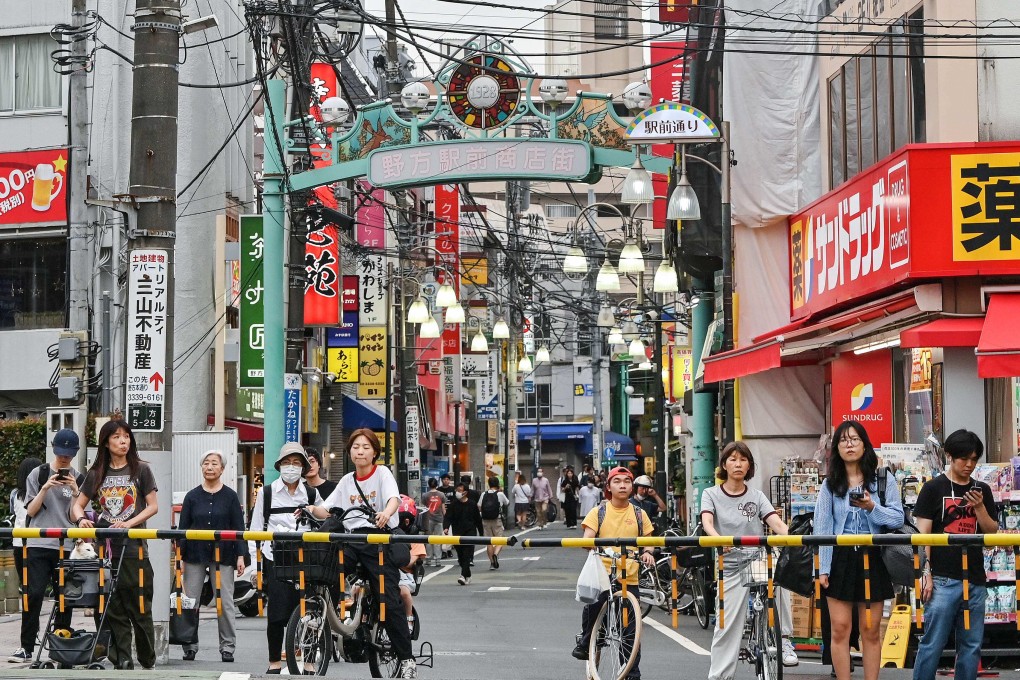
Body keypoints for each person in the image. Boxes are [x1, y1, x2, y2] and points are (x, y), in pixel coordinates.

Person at [306, 429, 417, 679]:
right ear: (350, 452)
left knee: (389, 602)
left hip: (378, 541)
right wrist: (310, 508)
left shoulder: (383, 473)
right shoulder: (346, 481)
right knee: (325, 571)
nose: (360, 451)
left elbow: (393, 499)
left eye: (366, 447)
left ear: (375, 451)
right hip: (352, 540)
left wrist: (387, 514)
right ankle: (321, 615)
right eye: (356, 446)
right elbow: (328, 509)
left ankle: (407, 659)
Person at [814, 421, 904, 680]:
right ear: (836, 448)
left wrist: (871, 507)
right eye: (843, 440)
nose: (849, 445)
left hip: (873, 556)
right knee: (840, 629)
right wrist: (822, 569)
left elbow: (898, 519)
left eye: (854, 439)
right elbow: (822, 528)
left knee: (870, 629)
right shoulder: (830, 484)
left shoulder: (883, 479)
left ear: (865, 444)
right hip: (840, 557)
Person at [702, 441, 799, 680]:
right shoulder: (710, 494)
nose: (737, 464)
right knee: (726, 625)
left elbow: (775, 522)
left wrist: (794, 538)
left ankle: (784, 640)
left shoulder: (757, 496)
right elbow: (707, 524)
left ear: (749, 466)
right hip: (730, 565)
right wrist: (718, 539)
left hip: (756, 559)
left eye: (743, 459)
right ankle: (720, 676)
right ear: (724, 464)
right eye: (732, 459)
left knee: (780, 578)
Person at [72, 420, 159, 671]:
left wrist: (129, 523)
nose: (123, 441)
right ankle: (122, 659)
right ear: (106, 442)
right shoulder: (96, 472)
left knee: (140, 607)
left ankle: (147, 658)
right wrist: (81, 519)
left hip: (134, 549)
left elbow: (153, 506)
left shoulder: (141, 469)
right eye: (117, 437)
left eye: (127, 437)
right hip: (106, 550)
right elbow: (78, 505)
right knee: (112, 607)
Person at [912, 429, 998, 680]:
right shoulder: (933, 488)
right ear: (950, 456)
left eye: (974, 459)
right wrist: (925, 573)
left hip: (974, 579)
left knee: (971, 646)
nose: (969, 464)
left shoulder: (982, 489)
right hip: (941, 579)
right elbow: (922, 535)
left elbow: (991, 535)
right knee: (932, 644)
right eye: (964, 459)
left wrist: (980, 507)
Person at [245, 441, 322, 674]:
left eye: (296, 463)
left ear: (303, 467)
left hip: (305, 557)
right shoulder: (267, 493)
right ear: (279, 466)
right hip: (274, 557)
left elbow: (323, 521)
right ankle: (274, 663)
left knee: (310, 613)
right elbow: (254, 530)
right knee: (277, 614)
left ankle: (308, 663)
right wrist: (252, 566)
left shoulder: (311, 493)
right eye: (287, 463)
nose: (291, 467)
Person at [571, 466, 654, 679]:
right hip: (603, 573)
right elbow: (587, 539)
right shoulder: (599, 512)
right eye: (617, 481)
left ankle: (632, 673)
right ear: (608, 486)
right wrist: (595, 547)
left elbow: (649, 541)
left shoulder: (639, 513)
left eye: (627, 481)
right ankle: (586, 639)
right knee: (594, 605)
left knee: (631, 631)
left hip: (630, 577)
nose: (623, 485)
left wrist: (648, 553)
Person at [13, 433, 83, 665]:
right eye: (61, 454)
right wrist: (44, 488)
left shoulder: (79, 478)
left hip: (66, 545)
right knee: (33, 594)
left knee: (65, 597)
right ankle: (26, 646)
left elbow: (76, 516)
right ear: (53, 450)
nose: (64, 459)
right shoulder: (38, 473)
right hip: (38, 543)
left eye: (69, 455)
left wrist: (75, 491)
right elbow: (30, 511)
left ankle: (61, 644)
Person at [177, 450, 246, 662]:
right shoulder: (192, 496)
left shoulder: (231, 496)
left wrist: (241, 556)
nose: (209, 467)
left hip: (224, 553)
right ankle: (189, 644)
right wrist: (180, 557)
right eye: (206, 463)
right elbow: (182, 529)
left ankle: (227, 647)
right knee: (191, 600)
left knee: (224, 601)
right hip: (194, 554)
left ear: (222, 469)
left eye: (214, 463)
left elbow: (239, 528)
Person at [7, 456, 40, 663]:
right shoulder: (36, 493)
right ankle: (34, 631)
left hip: (19, 545)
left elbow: (14, 514)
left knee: (27, 588)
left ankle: (31, 632)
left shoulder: (15, 494)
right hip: (36, 544)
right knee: (34, 589)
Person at [396, 496, 426, 636]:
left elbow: (408, 562)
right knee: (357, 588)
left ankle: (409, 619)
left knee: (403, 592)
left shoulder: (415, 540)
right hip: (388, 571)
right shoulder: (389, 536)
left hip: (405, 576)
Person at [444, 482, 482, 585]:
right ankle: (468, 575)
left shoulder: (472, 504)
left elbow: (478, 519)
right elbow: (448, 517)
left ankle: (462, 576)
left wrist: (482, 534)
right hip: (457, 532)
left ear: (465, 492)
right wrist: (446, 527)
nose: (457, 493)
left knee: (466, 554)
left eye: (459, 491)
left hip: (470, 532)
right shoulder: (453, 504)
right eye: (456, 491)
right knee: (460, 556)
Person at [478, 477, 509, 569]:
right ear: (497, 484)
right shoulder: (500, 494)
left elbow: (479, 506)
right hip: (497, 519)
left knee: (489, 542)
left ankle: (492, 563)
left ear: (489, 484)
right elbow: (507, 503)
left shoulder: (484, 494)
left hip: (485, 520)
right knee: (501, 539)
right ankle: (495, 554)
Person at [421, 478, 446, 567]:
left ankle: (428, 559)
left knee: (428, 539)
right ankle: (437, 560)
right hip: (439, 519)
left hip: (428, 519)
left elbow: (424, 507)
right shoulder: (441, 495)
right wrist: (445, 519)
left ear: (428, 485)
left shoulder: (425, 495)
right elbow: (443, 508)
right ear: (437, 485)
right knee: (438, 540)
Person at [437, 474, 456, 559]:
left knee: (450, 532)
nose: (446, 481)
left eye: (447, 479)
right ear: (442, 480)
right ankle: (444, 551)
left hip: (451, 512)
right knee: (443, 532)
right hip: (441, 513)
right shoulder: (438, 490)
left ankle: (449, 549)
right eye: (444, 479)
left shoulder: (453, 489)